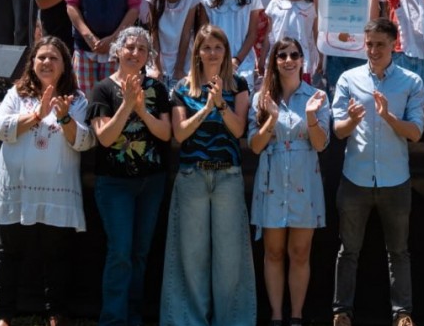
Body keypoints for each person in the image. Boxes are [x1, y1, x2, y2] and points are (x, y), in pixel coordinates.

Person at [0, 36, 95, 326]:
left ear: (64, 65)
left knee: (57, 254)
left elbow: (84, 141)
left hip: (57, 192)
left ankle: (56, 313)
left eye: (53, 58)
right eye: (41, 57)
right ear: (32, 63)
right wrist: (37, 114)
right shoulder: (16, 94)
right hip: (18, 189)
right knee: (8, 252)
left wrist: (64, 117)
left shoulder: (77, 99)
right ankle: (2, 315)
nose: (46, 62)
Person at [331, 18, 424, 326]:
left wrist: (388, 117)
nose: (373, 50)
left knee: (399, 251)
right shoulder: (348, 78)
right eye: (369, 44)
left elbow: (414, 133)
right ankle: (341, 312)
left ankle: (403, 314)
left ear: (394, 46)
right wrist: (352, 122)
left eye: (380, 44)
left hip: (395, 180)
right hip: (355, 179)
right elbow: (339, 131)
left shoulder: (411, 82)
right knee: (348, 252)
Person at [160, 24, 256, 326]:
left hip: (227, 176)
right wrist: (206, 108)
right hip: (192, 176)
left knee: (230, 258)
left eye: (218, 47)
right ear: (197, 52)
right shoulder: (181, 88)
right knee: (191, 257)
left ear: (225, 51)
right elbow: (180, 133)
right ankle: (189, 320)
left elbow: (239, 130)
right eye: (207, 47)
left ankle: (232, 320)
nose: (213, 52)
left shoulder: (239, 85)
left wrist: (222, 106)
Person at [88, 27, 172, 326]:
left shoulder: (158, 90)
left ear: (149, 56)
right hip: (115, 186)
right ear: (118, 51)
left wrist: (142, 110)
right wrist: (127, 105)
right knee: (120, 252)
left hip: (151, 182)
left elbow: (165, 133)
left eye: (141, 49)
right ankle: (113, 319)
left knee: (139, 253)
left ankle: (133, 317)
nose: (135, 53)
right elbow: (105, 138)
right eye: (130, 47)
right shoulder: (102, 89)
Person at [249, 37, 330, 326]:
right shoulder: (261, 99)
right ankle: (276, 316)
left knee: (299, 252)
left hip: (304, 178)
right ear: (274, 60)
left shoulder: (316, 96)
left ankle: (295, 316)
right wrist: (270, 119)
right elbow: (255, 146)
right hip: (272, 180)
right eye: (282, 55)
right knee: (273, 251)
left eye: (294, 54)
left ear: (302, 60)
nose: (288, 59)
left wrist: (310, 117)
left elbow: (321, 145)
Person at [198, 0, 263, 89]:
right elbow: (203, 33)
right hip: (213, 59)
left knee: (241, 100)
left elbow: (252, 34)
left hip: (242, 61)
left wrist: (237, 60)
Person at [146, 0, 201, 90]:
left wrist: (179, 67)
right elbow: (154, 33)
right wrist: (157, 67)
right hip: (159, 55)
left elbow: (186, 33)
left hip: (182, 56)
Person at [262, 0, 319, 80]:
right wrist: (262, 59)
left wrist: (320, 60)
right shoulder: (275, 3)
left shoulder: (311, 6)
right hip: (277, 62)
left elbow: (316, 36)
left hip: (302, 63)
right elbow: (269, 35)